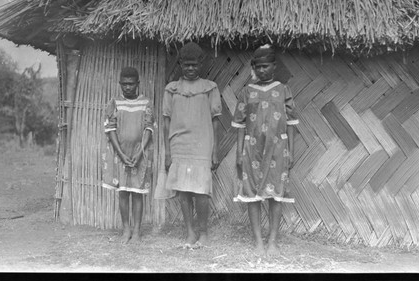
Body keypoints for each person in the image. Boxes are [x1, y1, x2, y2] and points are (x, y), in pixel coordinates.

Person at [231, 44, 299, 257]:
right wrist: (239, 153)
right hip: (252, 150)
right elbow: (240, 125)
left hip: (278, 149)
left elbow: (291, 122)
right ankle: (259, 242)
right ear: (253, 68)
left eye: (266, 66)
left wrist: (291, 151)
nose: (262, 70)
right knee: (252, 194)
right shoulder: (247, 92)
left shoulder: (283, 89)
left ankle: (273, 242)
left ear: (274, 66)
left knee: (275, 195)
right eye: (258, 67)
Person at [163, 42, 222, 248]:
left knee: (201, 191)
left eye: (194, 65)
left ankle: (203, 232)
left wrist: (215, 149)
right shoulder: (172, 89)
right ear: (179, 64)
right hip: (179, 145)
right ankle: (189, 232)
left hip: (202, 145)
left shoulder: (210, 88)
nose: (190, 69)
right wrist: (168, 152)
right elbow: (166, 121)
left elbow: (216, 120)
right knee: (183, 191)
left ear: (201, 64)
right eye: (186, 65)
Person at [102, 67, 154, 244]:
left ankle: (137, 231)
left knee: (137, 193)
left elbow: (148, 129)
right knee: (123, 193)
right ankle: (126, 230)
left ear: (138, 84)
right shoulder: (114, 103)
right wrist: (121, 154)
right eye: (124, 84)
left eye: (131, 84)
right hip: (120, 155)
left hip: (140, 154)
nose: (128, 88)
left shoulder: (146, 102)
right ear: (120, 84)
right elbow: (110, 129)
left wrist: (140, 153)